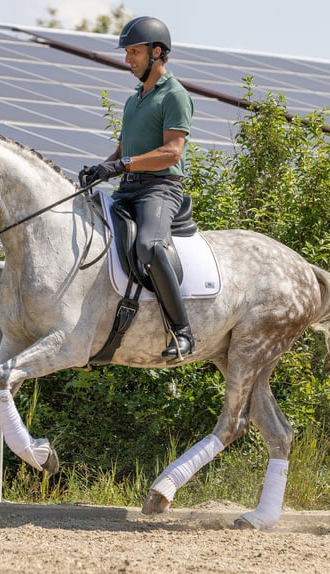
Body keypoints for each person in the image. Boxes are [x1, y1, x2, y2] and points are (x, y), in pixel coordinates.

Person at [80, 16, 195, 360]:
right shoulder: (134, 100)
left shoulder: (174, 95)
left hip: (160, 189)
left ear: (156, 52)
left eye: (134, 52)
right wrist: (105, 166)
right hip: (128, 189)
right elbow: (124, 151)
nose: (127, 59)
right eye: (127, 53)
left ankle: (183, 332)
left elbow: (171, 152)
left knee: (148, 245)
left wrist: (123, 164)